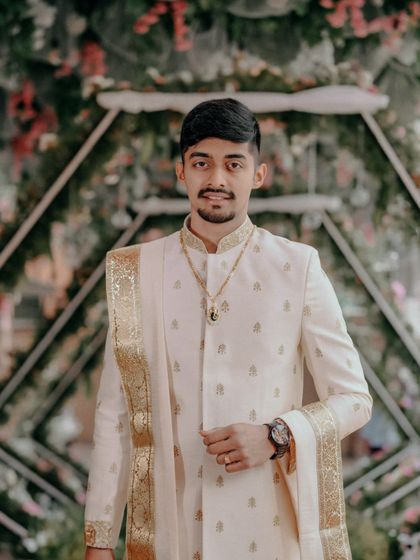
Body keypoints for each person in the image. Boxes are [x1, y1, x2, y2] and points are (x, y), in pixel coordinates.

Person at [84, 98, 373, 560]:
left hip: (268, 527)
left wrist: (278, 436)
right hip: (170, 529)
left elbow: (356, 400)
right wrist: (99, 539)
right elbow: (115, 415)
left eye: (233, 164)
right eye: (202, 162)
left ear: (258, 174)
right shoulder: (135, 271)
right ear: (182, 171)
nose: (217, 179)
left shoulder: (297, 267)